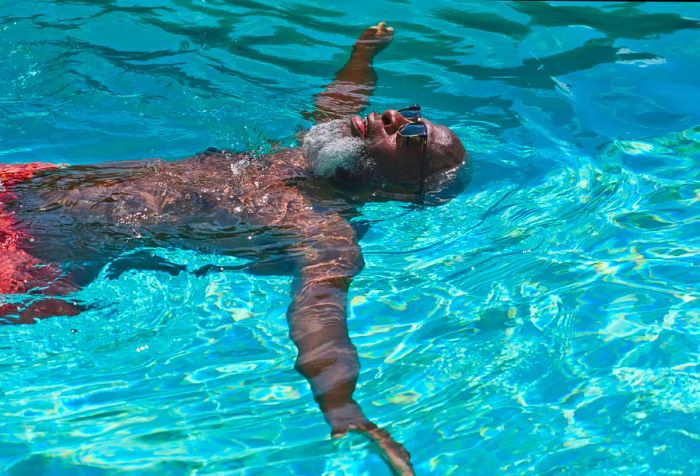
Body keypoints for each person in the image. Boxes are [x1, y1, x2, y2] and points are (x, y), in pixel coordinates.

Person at [0, 22, 467, 475]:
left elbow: (321, 316)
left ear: (401, 187)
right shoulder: (311, 157)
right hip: (32, 179)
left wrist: (342, 405)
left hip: (29, 252)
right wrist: (364, 54)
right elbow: (342, 100)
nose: (396, 118)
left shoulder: (321, 229)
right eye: (411, 113)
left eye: (412, 136)